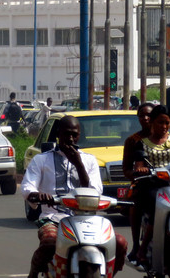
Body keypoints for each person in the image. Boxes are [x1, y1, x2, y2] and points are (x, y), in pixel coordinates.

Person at [22, 115, 127, 278]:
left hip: (87, 219)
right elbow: (27, 187)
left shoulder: (89, 160)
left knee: (119, 243)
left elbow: (96, 191)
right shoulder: (41, 159)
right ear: (58, 133)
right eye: (66, 134)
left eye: (74, 134)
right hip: (53, 218)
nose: (70, 139)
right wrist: (37, 195)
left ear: (79, 135)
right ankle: (34, 273)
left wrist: (78, 164)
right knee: (50, 242)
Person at [131, 104, 170, 267]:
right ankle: (142, 249)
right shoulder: (141, 144)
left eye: (167, 123)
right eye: (160, 122)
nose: (164, 126)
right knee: (155, 209)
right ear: (152, 123)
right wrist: (141, 169)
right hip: (153, 185)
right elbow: (138, 165)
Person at [122, 102, 154, 264]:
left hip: (169, 183)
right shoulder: (133, 141)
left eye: (149, 115)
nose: (145, 118)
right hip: (144, 183)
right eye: (142, 115)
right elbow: (126, 168)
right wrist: (136, 175)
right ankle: (136, 245)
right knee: (135, 203)